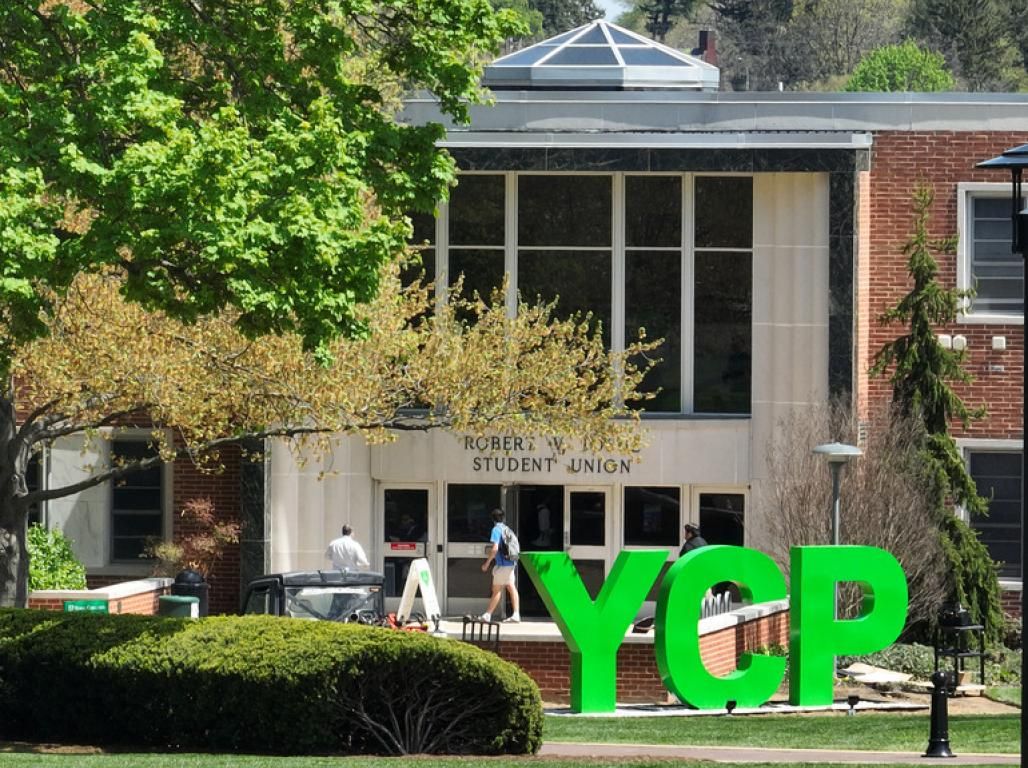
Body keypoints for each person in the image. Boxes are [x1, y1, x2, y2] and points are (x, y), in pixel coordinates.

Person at [479, 508, 521, 623]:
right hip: (511, 562)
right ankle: (516, 614)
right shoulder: (507, 529)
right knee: (511, 587)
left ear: (492, 519)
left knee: (497, 589)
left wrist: (487, 563)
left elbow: (495, 548)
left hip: (503, 564)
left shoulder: (496, 530)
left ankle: (488, 614)